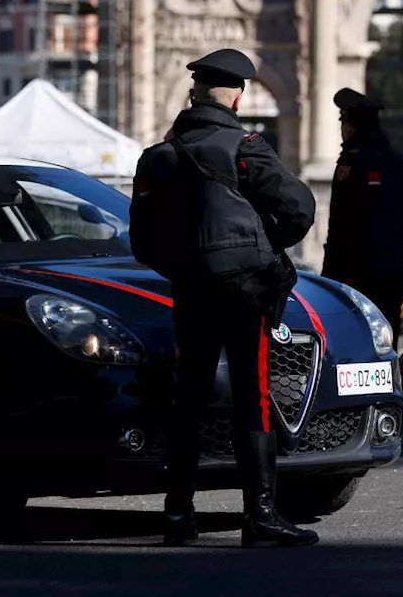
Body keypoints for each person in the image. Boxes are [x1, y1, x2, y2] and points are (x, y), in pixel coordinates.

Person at [128, 48, 319, 548]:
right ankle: (259, 515)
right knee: (252, 395)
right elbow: (300, 207)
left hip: (191, 290)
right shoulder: (244, 147)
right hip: (246, 290)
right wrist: (264, 245)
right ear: (236, 95)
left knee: (187, 396)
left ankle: (177, 515)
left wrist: (188, 267)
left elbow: (142, 243)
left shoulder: (157, 157)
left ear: (195, 94)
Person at [320, 88, 403, 346]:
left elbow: (340, 225)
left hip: (357, 275)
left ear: (352, 125)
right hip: (395, 272)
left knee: (354, 346)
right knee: (387, 344)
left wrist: (330, 275)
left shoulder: (351, 165)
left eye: (343, 121)